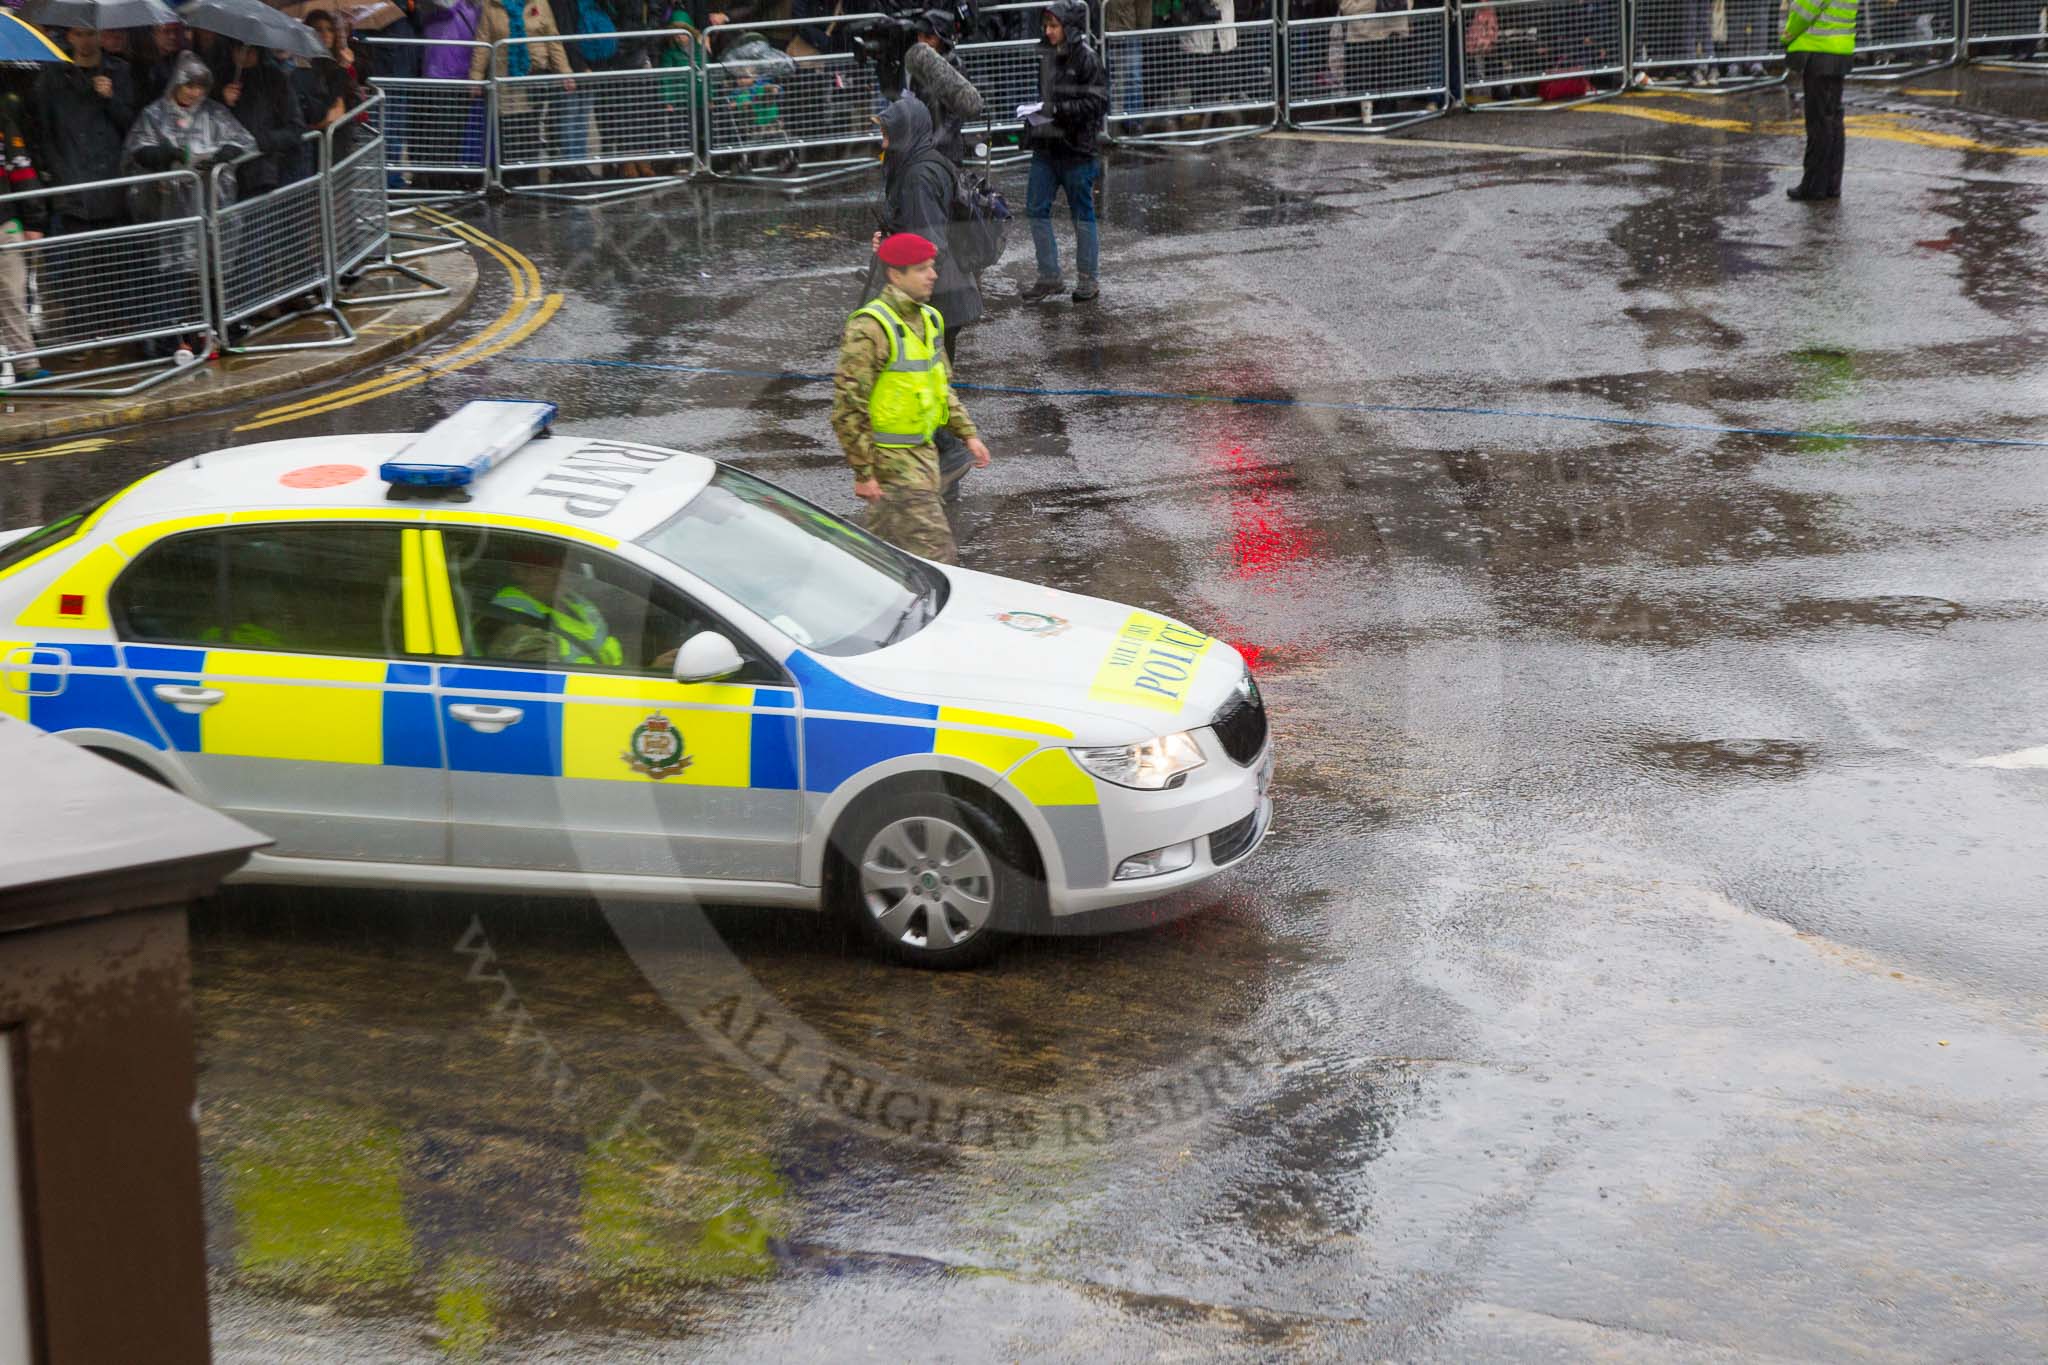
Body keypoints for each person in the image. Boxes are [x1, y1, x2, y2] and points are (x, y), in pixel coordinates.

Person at [832, 232, 991, 564]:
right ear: (895, 275)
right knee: (939, 556)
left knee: (879, 555)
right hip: (894, 464)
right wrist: (863, 472)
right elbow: (848, 406)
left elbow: (941, 387)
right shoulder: (869, 327)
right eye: (921, 269)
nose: (932, 275)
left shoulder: (930, 320)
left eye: (931, 267)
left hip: (923, 456)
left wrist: (968, 434)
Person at [121, 50, 254, 363]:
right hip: (171, 209)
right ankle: (173, 337)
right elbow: (136, 151)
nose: (194, 93)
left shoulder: (214, 113)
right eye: (189, 86)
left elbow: (244, 141)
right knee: (174, 273)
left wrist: (227, 153)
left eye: (200, 87)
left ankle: (215, 330)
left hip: (210, 206)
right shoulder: (154, 115)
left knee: (212, 270)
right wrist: (163, 156)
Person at [1018, 0, 1106, 303]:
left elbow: (1097, 104)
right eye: (1046, 26)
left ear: (1068, 27)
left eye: (1054, 26)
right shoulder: (1046, 54)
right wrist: (1035, 120)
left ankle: (1087, 278)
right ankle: (1050, 275)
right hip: (1047, 146)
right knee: (1035, 208)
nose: (1048, 31)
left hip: (1077, 150)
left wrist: (1057, 110)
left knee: (1082, 215)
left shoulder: (1087, 59)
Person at [468, 0, 574, 186]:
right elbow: (482, 43)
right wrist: (476, 76)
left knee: (530, 130)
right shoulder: (491, 7)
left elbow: (552, 39)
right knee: (507, 132)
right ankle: (509, 179)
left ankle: (528, 178)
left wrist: (565, 72)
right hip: (504, 80)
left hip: (533, 78)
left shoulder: (540, 3)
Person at [486, 546, 626, 664]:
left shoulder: (573, 601)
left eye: (561, 568)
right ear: (519, 572)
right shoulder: (516, 623)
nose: (558, 577)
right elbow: (547, 686)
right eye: (545, 571)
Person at [0, 80, 50, 388]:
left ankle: (27, 364)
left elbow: (22, 168)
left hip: (4, 221)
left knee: (14, 295)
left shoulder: (4, 118)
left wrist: (33, 218)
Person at [1783, 0, 1855, 200]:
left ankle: (1814, 185)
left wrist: (1788, 32)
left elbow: (1806, 7)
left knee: (1819, 121)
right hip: (1841, 49)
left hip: (1819, 50)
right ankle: (1831, 184)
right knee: (1833, 120)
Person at [217, 41, 307, 196]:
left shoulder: (276, 79)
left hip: (264, 176)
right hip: (228, 176)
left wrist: (263, 141)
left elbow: (295, 128)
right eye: (238, 49)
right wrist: (222, 99)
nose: (243, 55)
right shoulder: (222, 77)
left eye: (249, 50)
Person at [904, 10, 983, 165]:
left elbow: (956, 115)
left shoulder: (955, 65)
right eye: (919, 36)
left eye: (928, 37)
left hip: (946, 150)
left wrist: (936, 139)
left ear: (941, 38)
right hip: (920, 144)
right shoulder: (917, 64)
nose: (922, 42)